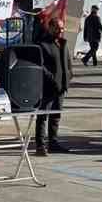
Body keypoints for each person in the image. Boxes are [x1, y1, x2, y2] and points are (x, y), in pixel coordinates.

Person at [30, 17, 73, 155]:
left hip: (61, 87)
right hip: (48, 87)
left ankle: (53, 143)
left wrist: (69, 76)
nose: (61, 31)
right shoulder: (42, 44)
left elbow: (68, 63)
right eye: (58, 28)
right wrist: (52, 79)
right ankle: (40, 145)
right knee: (43, 116)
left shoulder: (63, 43)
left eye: (62, 28)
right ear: (50, 28)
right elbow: (39, 66)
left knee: (56, 116)